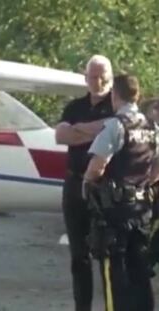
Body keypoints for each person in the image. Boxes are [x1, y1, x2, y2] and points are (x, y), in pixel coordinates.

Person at [83, 74, 158, 311]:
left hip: (115, 212)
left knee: (114, 271)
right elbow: (156, 169)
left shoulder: (116, 125)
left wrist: (87, 184)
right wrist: (144, 183)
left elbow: (97, 166)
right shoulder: (151, 127)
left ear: (115, 95)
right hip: (142, 209)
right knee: (140, 270)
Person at [55, 55, 114, 311]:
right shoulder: (75, 106)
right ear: (85, 77)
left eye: (103, 76)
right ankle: (83, 307)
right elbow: (60, 136)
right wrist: (98, 129)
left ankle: (111, 305)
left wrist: (78, 130)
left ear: (111, 77)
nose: (98, 81)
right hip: (74, 184)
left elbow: (114, 129)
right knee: (78, 254)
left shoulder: (116, 107)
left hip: (104, 187)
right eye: (93, 76)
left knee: (106, 254)